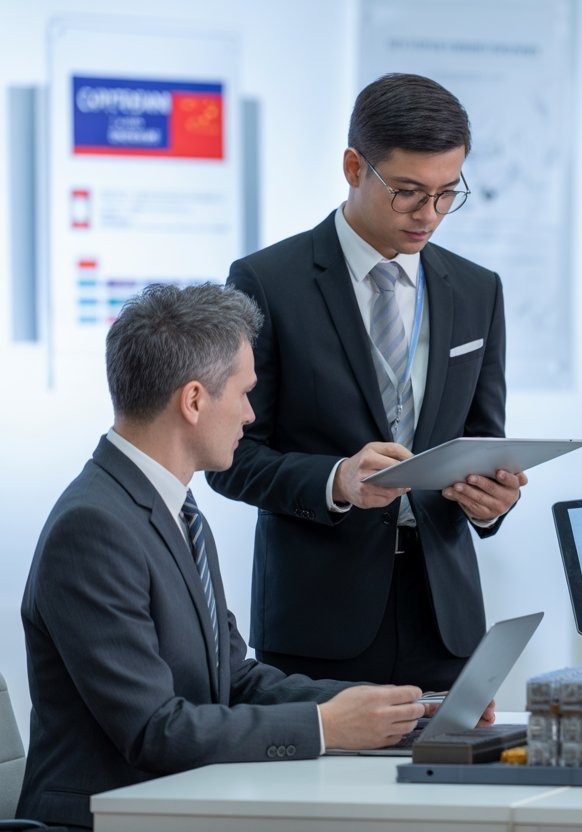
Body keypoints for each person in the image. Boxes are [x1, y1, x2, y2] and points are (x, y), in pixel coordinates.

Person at [18, 284, 457, 831]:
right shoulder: (93, 528)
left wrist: (400, 708)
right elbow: (154, 730)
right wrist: (325, 726)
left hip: (176, 804)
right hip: (103, 820)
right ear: (194, 401)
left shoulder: (172, 509)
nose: (251, 415)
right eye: (245, 393)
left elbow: (235, 680)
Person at [207, 74, 524, 691]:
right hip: (318, 620)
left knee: (453, 759)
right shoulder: (267, 282)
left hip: (446, 620)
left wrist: (494, 502)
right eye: (408, 192)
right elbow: (229, 459)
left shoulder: (478, 290)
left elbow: (484, 440)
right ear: (354, 167)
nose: (428, 215)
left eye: (447, 194)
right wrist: (336, 481)